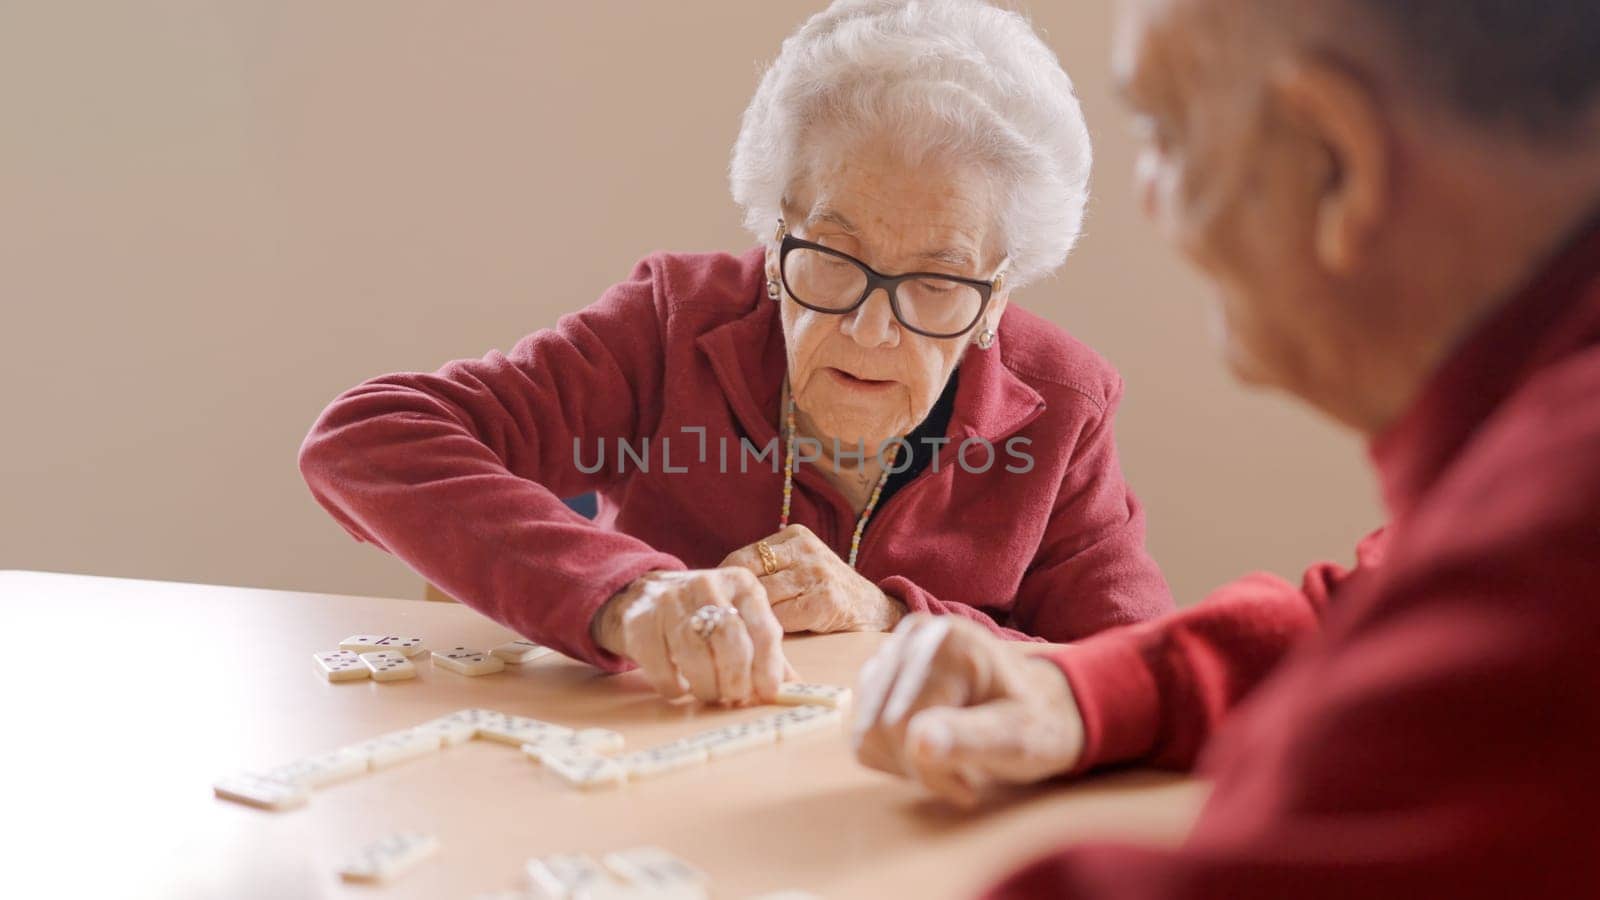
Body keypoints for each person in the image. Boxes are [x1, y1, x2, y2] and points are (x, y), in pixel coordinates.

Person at [851, 0, 1600, 896]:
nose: (1148, 197)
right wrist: (1086, 693)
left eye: (1167, 133)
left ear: (1337, 164)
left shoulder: (1559, 555)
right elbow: (1377, 605)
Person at [297, 0, 1173, 706]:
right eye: (830, 258)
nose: (873, 329)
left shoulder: (1063, 406)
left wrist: (893, 619)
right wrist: (628, 595)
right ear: (775, 233)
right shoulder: (673, 323)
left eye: (937, 284)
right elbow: (365, 440)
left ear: (999, 293)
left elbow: (1143, 674)